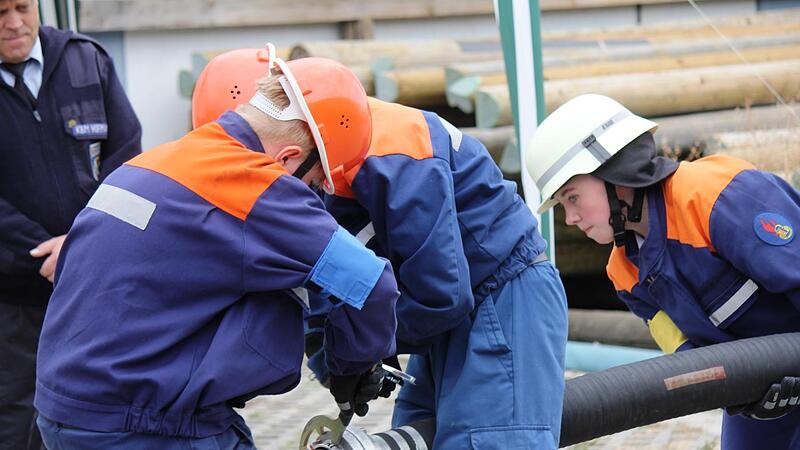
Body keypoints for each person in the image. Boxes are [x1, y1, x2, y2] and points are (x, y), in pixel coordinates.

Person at [34, 48, 399, 449]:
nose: (311, 197)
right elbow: (371, 284)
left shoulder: (155, 162)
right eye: (312, 184)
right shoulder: (254, 185)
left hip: (65, 410)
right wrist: (350, 369)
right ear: (289, 157)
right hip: (143, 425)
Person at [526, 93, 800, 449]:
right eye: (563, 204)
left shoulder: (714, 196)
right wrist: (741, 396)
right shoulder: (624, 273)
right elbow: (687, 354)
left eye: (572, 197)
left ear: (615, 172)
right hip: (764, 395)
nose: (570, 218)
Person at [0, 0, 142, 448]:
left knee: (107, 410)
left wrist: (79, 243)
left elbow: (128, 160)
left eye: (22, 7)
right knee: (19, 419)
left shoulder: (86, 59)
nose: (13, 23)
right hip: (14, 296)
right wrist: (44, 250)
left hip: (95, 283)